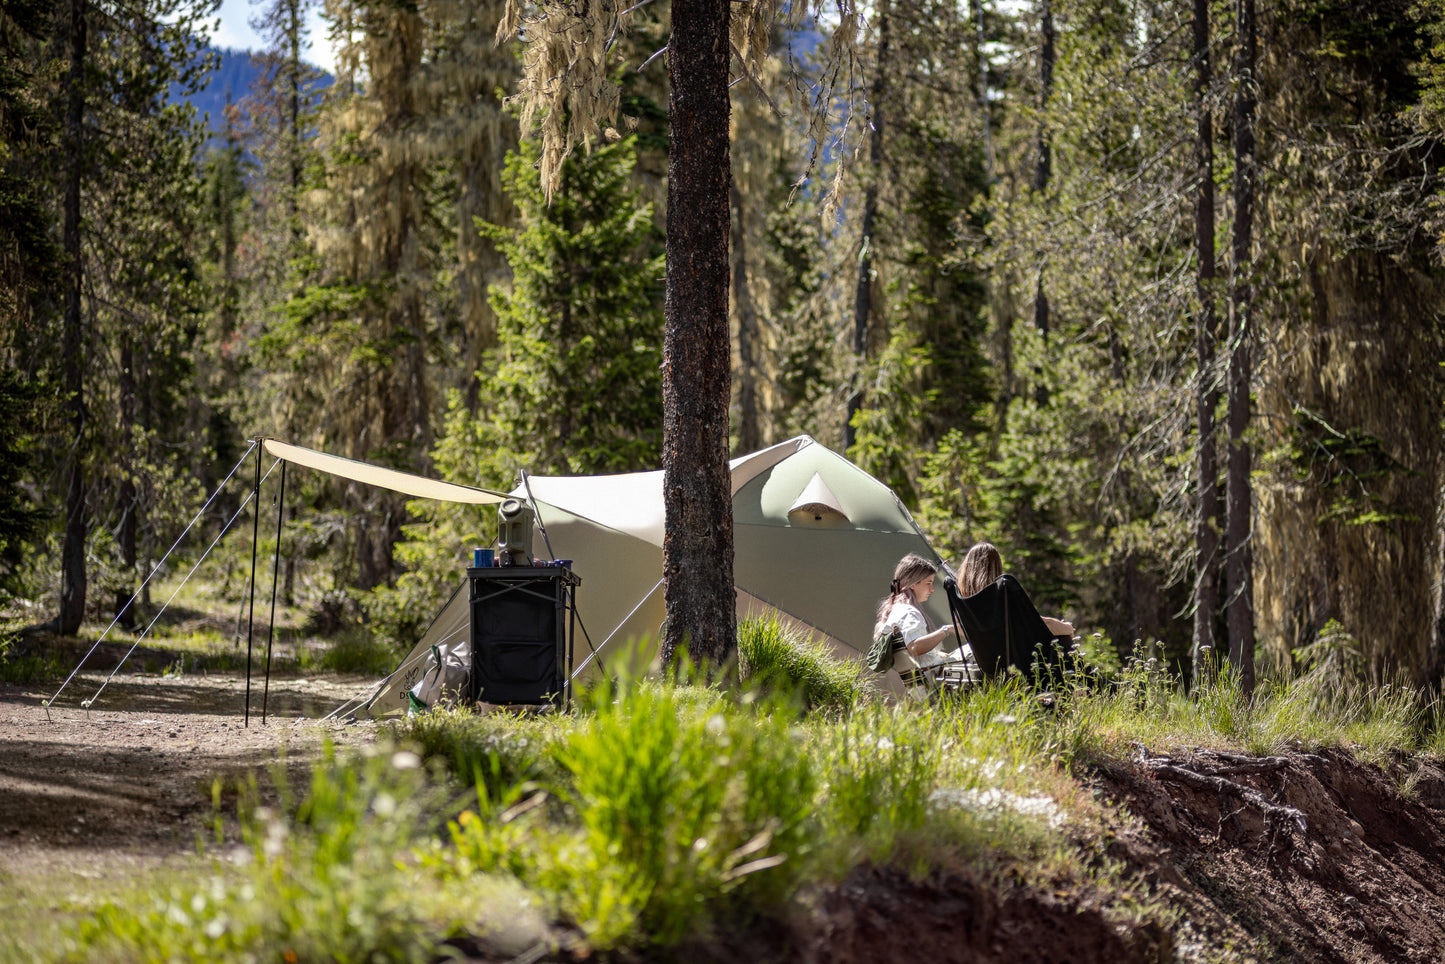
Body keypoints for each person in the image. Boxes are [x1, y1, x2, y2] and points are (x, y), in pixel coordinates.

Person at [875, 553, 970, 699]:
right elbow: (914, 648)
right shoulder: (908, 612)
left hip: (927, 678)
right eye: (928, 583)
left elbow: (911, 650)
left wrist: (936, 654)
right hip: (936, 680)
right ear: (913, 583)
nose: (932, 589)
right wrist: (947, 630)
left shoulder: (897, 609)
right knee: (979, 651)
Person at [957, 541, 1074, 638]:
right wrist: (1067, 628)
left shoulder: (965, 604)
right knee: (1063, 637)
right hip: (1018, 662)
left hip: (988, 663)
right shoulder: (1001, 596)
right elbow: (1037, 624)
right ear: (996, 567)